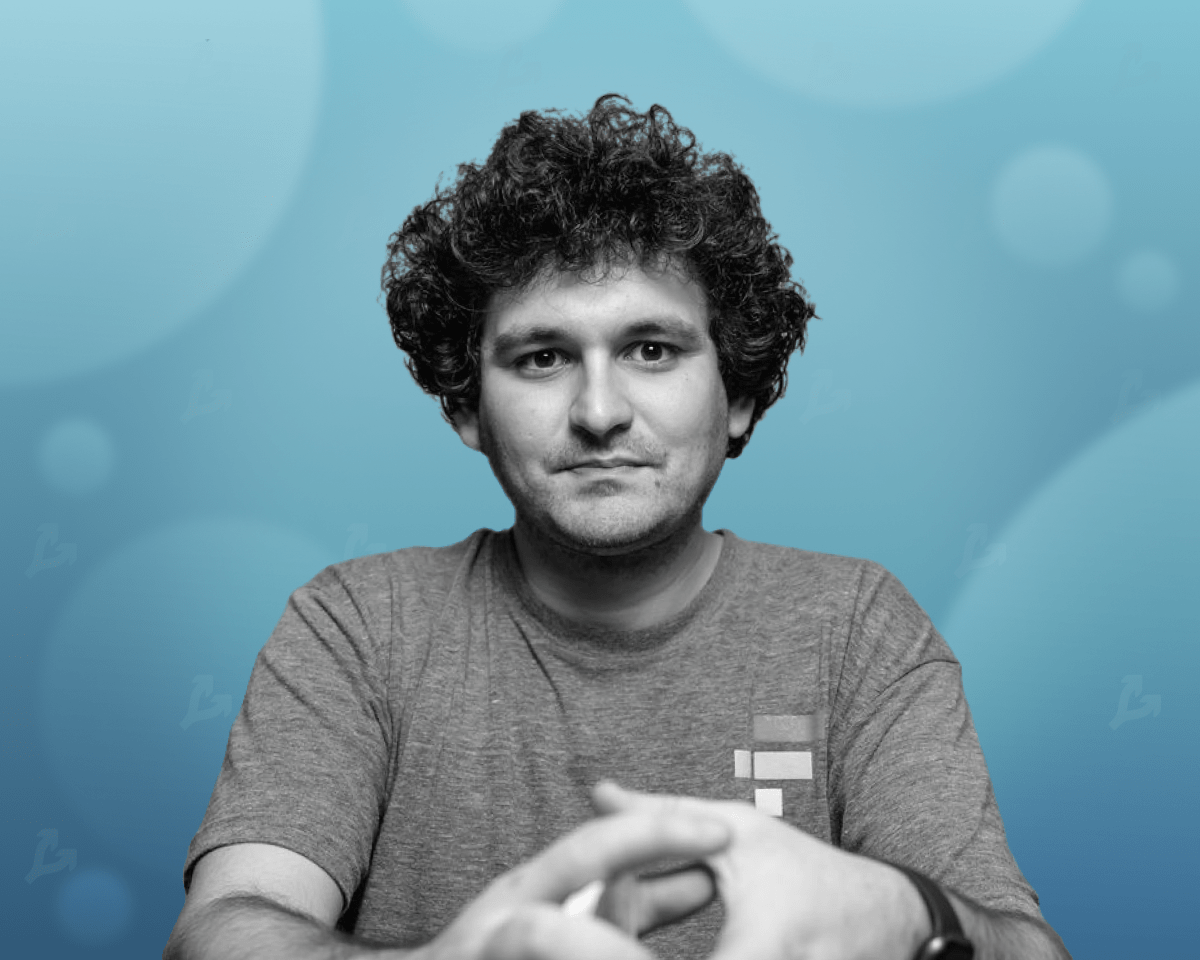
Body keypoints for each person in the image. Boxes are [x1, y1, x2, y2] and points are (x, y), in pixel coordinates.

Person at [165, 95, 1070, 960]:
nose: (599, 412)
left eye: (652, 350)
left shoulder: (855, 628)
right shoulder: (360, 626)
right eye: (542, 357)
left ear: (739, 394)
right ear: (467, 407)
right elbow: (222, 929)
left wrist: (909, 914)